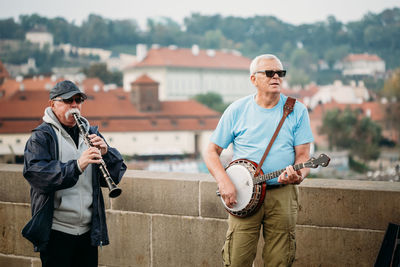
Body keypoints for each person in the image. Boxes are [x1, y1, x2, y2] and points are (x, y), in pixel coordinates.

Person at [204, 54, 314, 266]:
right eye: (269, 73)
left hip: (282, 194)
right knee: (237, 259)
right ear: (253, 79)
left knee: (280, 260)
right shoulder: (237, 109)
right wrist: (224, 181)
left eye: (280, 73)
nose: (276, 77)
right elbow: (211, 152)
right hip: (243, 194)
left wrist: (298, 176)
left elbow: (303, 156)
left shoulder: (297, 110)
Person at [22, 80, 127, 267]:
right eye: (68, 100)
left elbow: (114, 175)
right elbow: (38, 175)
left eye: (78, 100)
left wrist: (106, 154)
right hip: (56, 232)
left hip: (88, 232)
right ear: (53, 104)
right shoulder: (41, 137)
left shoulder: (91, 133)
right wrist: (77, 166)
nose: (74, 105)